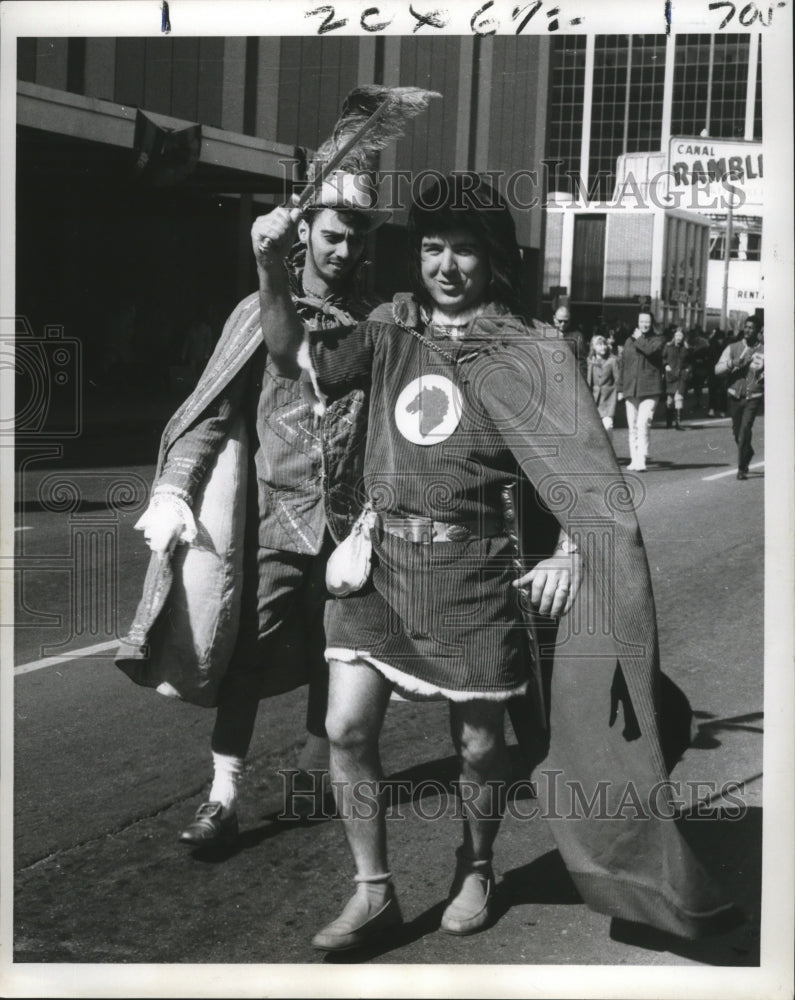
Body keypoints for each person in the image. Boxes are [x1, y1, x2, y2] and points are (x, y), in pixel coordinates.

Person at [254, 174, 732, 951]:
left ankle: (475, 865)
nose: (445, 266)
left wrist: (572, 552)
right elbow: (289, 358)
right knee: (345, 728)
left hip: (473, 576)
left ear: (492, 258)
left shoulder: (528, 348)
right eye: (433, 248)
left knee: (480, 747)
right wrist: (272, 268)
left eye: (465, 250)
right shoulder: (386, 325)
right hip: (378, 561)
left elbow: (580, 471)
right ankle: (371, 890)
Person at [118, 173, 386, 846]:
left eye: (354, 237)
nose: (342, 249)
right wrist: (176, 485)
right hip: (272, 524)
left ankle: (310, 778)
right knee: (243, 660)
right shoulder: (258, 310)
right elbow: (213, 411)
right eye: (331, 234)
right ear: (304, 233)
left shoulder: (377, 323)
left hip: (348, 531)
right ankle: (222, 797)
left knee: (337, 657)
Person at [715, 316, 764, 480]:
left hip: (753, 395)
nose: (748, 330)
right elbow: (717, 369)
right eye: (746, 327)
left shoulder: (764, 350)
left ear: (758, 331)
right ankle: (747, 451)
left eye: (751, 328)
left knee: (744, 430)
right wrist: (733, 363)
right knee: (737, 432)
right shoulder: (733, 347)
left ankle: (742, 468)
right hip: (734, 395)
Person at [616, 310, 665, 471]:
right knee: (632, 426)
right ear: (637, 323)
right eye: (641, 321)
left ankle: (642, 458)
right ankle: (634, 459)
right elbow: (624, 365)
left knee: (643, 423)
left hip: (650, 389)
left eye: (647, 321)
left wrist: (638, 339)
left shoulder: (657, 340)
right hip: (631, 388)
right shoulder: (629, 341)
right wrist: (620, 388)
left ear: (651, 323)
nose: (644, 324)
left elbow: (650, 351)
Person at [586, 333, 619, 441]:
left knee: (608, 425)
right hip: (594, 399)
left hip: (608, 398)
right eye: (599, 345)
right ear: (593, 347)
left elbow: (617, 378)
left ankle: (610, 451)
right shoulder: (590, 361)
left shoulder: (612, 360)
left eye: (604, 344)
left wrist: (619, 392)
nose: (603, 347)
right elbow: (588, 381)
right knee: (594, 428)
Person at [662, 327, 691, 430]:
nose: (679, 338)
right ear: (674, 336)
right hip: (670, 376)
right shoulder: (668, 346)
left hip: (681, 376)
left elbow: (690, 362)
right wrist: (666, 365)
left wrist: (687, 370)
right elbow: (663, 358)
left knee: (679, 398)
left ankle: (678, 423)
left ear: (683, 337)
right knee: (670, 400)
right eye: (677, 335)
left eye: (681, 336)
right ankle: (669, 422)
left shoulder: (686, 348)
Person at [552, 304, 588, 379]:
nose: (563, 324)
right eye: (560, 321)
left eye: (566, 321)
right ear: (554, 318)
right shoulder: (547, 334)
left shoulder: (577, 336)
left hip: (569, 377)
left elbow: (581, 361)